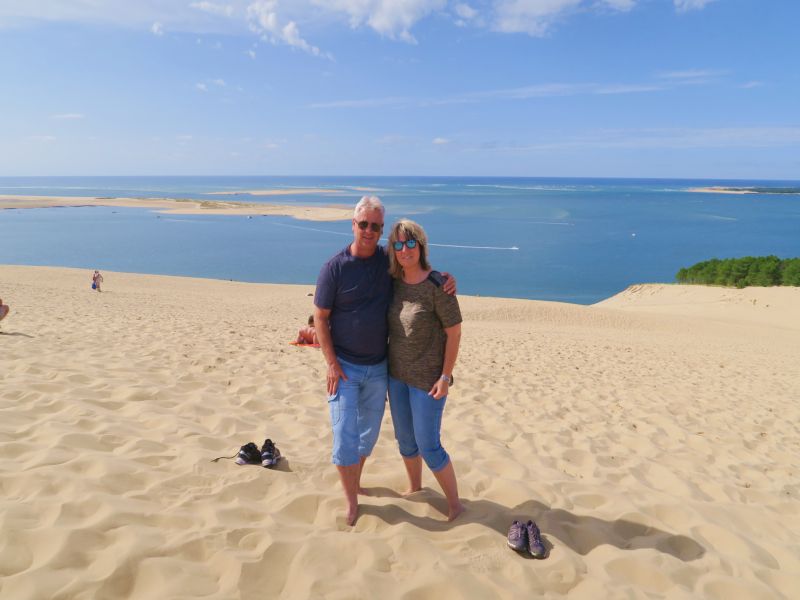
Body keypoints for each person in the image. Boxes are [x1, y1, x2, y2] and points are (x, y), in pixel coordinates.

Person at [314, 196, 456, 526]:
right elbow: (321, 317)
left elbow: (416, 275)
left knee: (368, 436)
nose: (368, 230)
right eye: (363, 224)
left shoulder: (386, 263)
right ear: (353, 224)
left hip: (380, 369)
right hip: (345, 369)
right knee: (344, 435)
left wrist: (445, 278)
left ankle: (359, 483)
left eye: (375, 226)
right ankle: (351, 502)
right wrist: (331, 363)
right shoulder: (334, 268)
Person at [386, 219, 464, 521]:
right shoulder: (392, 283)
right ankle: (415, 487)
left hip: (429, 382)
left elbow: (454, 333)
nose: (404, 250)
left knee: (429, 445)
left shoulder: (438, 285)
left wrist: (445, 377)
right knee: (405, 441)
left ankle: (455, 504)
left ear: (420, 245)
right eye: (398, 244)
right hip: (397, 378)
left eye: (410, 243)